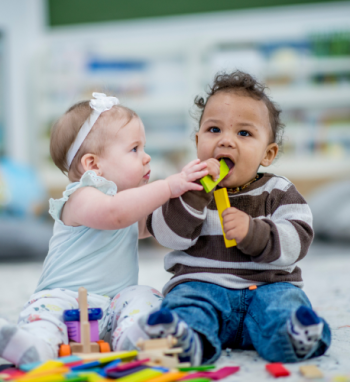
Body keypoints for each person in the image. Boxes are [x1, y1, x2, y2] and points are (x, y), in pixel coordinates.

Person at [133, 71, 331, 365]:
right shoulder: (184, 186)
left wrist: (255, 233)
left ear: (268, 153)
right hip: (201, 287)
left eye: (243, 133)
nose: (226, 141)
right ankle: (184, 340)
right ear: (198, 139)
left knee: (284, 305)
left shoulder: (278, 191)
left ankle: (295, 335)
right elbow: (166, 235)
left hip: (267, 287)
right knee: (185, 305)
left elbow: (298, 239)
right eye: (214, 130)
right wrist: (194, 197)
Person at [0, 93, 209, 365]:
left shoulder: (128, 202)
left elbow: (157, 224)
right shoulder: (80, 197)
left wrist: (189, 196)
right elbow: (115, 213)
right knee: (45, 314)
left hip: (112, 307)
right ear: (93, 165)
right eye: (134, 149)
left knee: (145, 294)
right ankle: (35, 346)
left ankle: (134, 337)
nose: (146, 158)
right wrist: (168, 186)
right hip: (65, 299)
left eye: (143, 148)